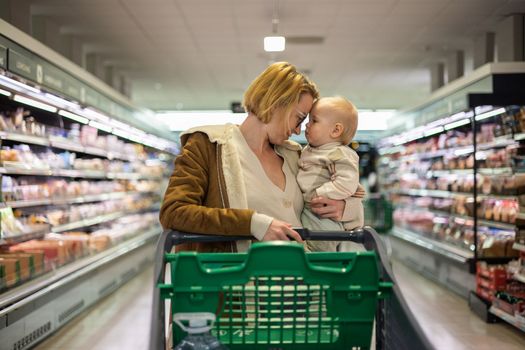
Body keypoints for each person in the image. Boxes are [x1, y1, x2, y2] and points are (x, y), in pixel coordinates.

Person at [159, 62, 364, 253]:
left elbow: (350, 202)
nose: (298, 130)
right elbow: (174, 212)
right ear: (277, 103)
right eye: (299, 118)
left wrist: (344, 208)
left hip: (302, 283)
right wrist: (253, 224)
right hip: (234, 286)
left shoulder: (296, 156)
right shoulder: (208, 145)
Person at [297, 96, 365, 252]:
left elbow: (347, 183)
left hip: (322, 215)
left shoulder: (339, 153)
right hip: (309, 211)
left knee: (321, 247)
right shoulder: (309, 150)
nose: (307, 124)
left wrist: (320, 194)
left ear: (335, 130)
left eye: (314, 120)